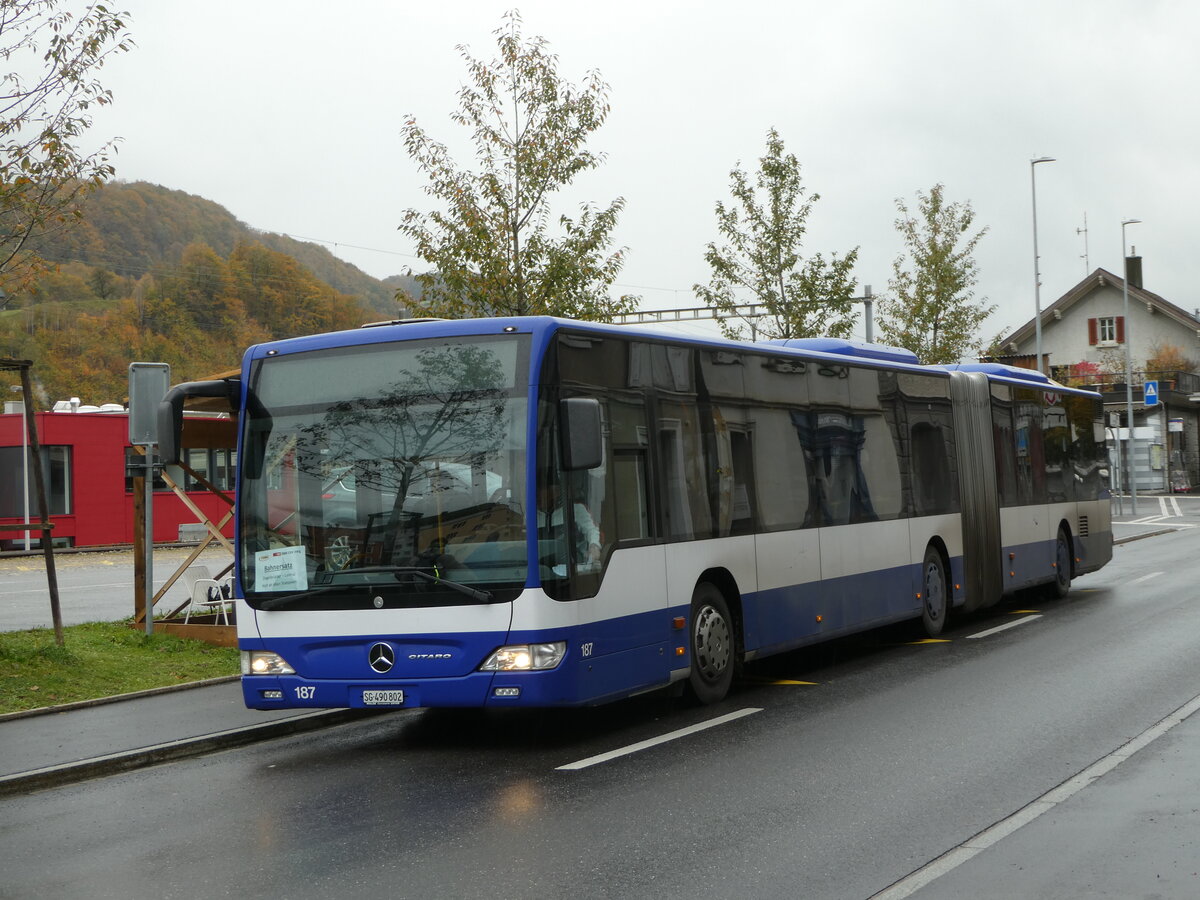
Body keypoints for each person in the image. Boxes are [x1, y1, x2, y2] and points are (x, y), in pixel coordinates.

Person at [536, 481, 601, 566]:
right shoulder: (532, 516)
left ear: (554, 491)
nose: (537, 494)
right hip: (542, 565)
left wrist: (594, 545)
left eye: (541, 490)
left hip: (572, 564)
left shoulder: (575, 509)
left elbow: (591, 530)